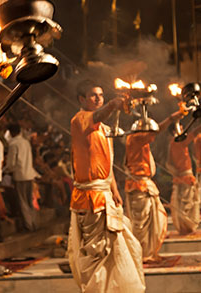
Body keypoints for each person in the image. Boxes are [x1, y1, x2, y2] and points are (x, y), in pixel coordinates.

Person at [67, 79, 145, 292]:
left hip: (105, 196)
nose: (98, 98)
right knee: (97, 254)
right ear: (82, 99)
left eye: (101, 94)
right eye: (93, 95)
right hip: (90, 198)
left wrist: (114, 190)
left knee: (116, 250)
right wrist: (113, 104)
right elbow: (98, 115)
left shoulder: (106, 129)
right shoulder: (79, 120)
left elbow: (106, 162)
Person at [124, 110, 183, 262]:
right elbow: (157, 131)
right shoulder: (136, 138)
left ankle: (148, 253)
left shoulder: (139, 139)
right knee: (141, 223)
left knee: (154, 219)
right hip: (139, 186)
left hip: (144, 184)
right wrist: (171, 117)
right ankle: (142, 255)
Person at [167, 116, 201, 234]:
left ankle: (185, 228)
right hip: (185, 177)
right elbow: (196, 131)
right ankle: (186, 228)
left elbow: (169, 163)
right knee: (188, 204)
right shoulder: (178, 141)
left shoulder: (173, 143)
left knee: (185, 204)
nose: (183, 130)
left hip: (182, 177)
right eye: (181, 128)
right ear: (175, 130)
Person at [5, 123, 39, 232]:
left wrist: (5, 171)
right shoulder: (26, 142)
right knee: (29, 200)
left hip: (20, 176)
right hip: (29, 174)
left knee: (23, 201)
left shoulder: (13, 144)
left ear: (11, 132)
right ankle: (34, 223)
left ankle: (28, 225)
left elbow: (11, 164)